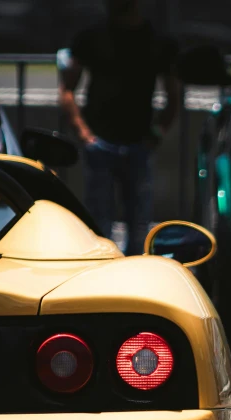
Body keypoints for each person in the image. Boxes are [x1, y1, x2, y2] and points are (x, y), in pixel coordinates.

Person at [59, 0, 179, 256]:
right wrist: (84, 133)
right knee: (98, 225)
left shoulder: (157, 42)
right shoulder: (91, 38)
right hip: (100, 143)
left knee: (138, 227)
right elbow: (67, 88)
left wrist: (156, 134)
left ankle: (133, 282)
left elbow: (174, 95)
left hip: (139, 144)